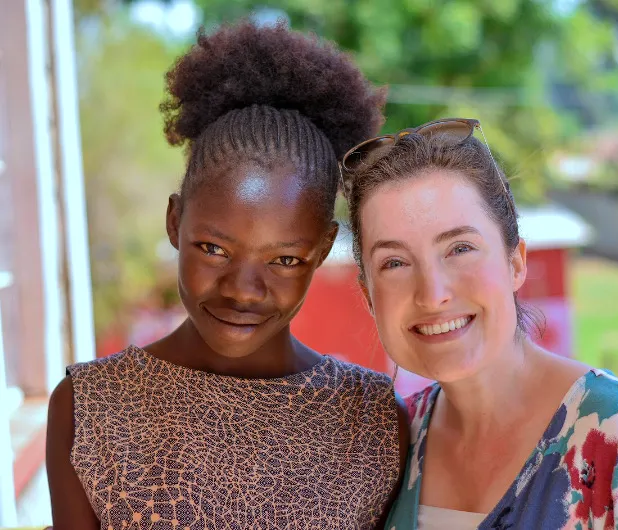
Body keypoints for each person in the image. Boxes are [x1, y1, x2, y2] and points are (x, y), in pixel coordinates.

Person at [47, 21, 407, 530]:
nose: (242, 289)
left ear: (324, 248)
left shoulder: (372, 418)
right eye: (214, 248)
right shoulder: (90, 408)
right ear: (174, 222)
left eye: (284, 259)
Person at [341, 118, 618, 529]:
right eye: (394, 262)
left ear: (516, 261)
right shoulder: (389, 445)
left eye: (459, 248)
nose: (432, 294)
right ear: (368, 297)